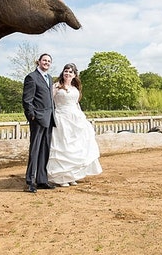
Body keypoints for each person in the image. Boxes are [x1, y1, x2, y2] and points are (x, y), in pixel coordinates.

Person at [47, 63, 102, 186]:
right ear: (63, 73)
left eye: (70, 72)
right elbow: (49, 102)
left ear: (74, 75)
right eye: (66, 71)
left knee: (76, 147)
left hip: (75, 118)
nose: (67, 73)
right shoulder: (56, 86)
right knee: (63, 146)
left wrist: (82, 117)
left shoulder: (75, 88)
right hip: (61, 118)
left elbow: (76, 104)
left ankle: (72, 176)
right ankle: (60, 177)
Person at [22, 53, 57, 193]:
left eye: (49, 61)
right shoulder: (31, 77)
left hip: (49, 118)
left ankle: (42, 180)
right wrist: (31, 115)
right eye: (44, 60)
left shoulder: (49, 78)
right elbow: (27, 99)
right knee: (35, 150)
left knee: (45, 150)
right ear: (39, 62)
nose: (46, 63)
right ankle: (30, 181)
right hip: (37, 119)